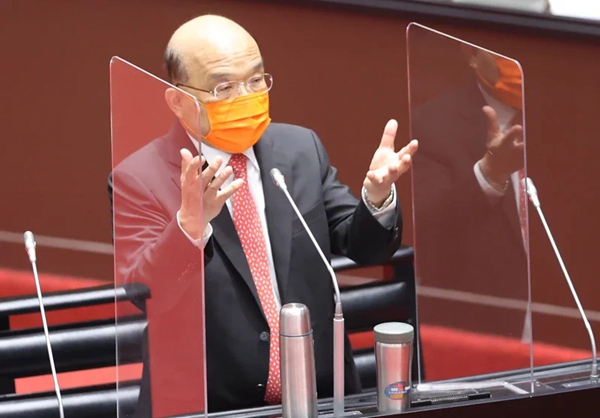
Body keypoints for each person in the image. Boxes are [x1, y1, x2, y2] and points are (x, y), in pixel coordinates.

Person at [109, 15, 418, 414]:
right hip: (209, 405)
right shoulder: (140, 177)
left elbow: (363, 246)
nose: (246, 97)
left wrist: (377, 197)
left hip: (320, 397)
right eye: (224, 87)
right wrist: (190, 226)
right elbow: (144, 293)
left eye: (256, 81)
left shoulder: (300, 149)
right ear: (177, 100)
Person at [411, 43, 529, 346]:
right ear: (472, 55)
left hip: (567, 317)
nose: (516, 59)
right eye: (500, 48)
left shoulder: (568, 119)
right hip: (480, 325)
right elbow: (428, 226)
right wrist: (491, 172)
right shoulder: (431, 122)